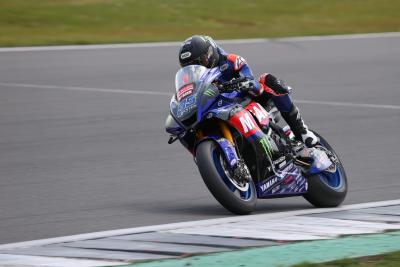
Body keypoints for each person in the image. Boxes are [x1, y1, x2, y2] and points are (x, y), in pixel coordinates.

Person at [178, 35, 318, 147]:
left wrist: (245, 83)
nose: (199, 67)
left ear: (210, 53)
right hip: (219, 110)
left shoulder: (231, 61)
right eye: (192, 65)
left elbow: (252, 82)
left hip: (249, 103)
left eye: (200, 61)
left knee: (268, 79)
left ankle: (302, 132)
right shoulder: (190, 78)